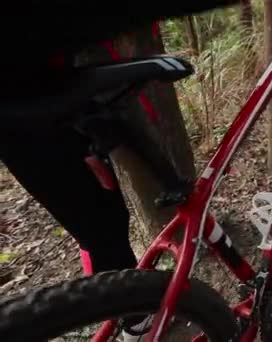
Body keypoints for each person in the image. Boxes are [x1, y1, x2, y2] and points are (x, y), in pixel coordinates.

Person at [1, 1, 239, 340]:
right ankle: (137, 322)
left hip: (38, 93)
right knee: (102, 223)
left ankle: (129, 312)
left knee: (101, 223)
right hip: (33, 103)